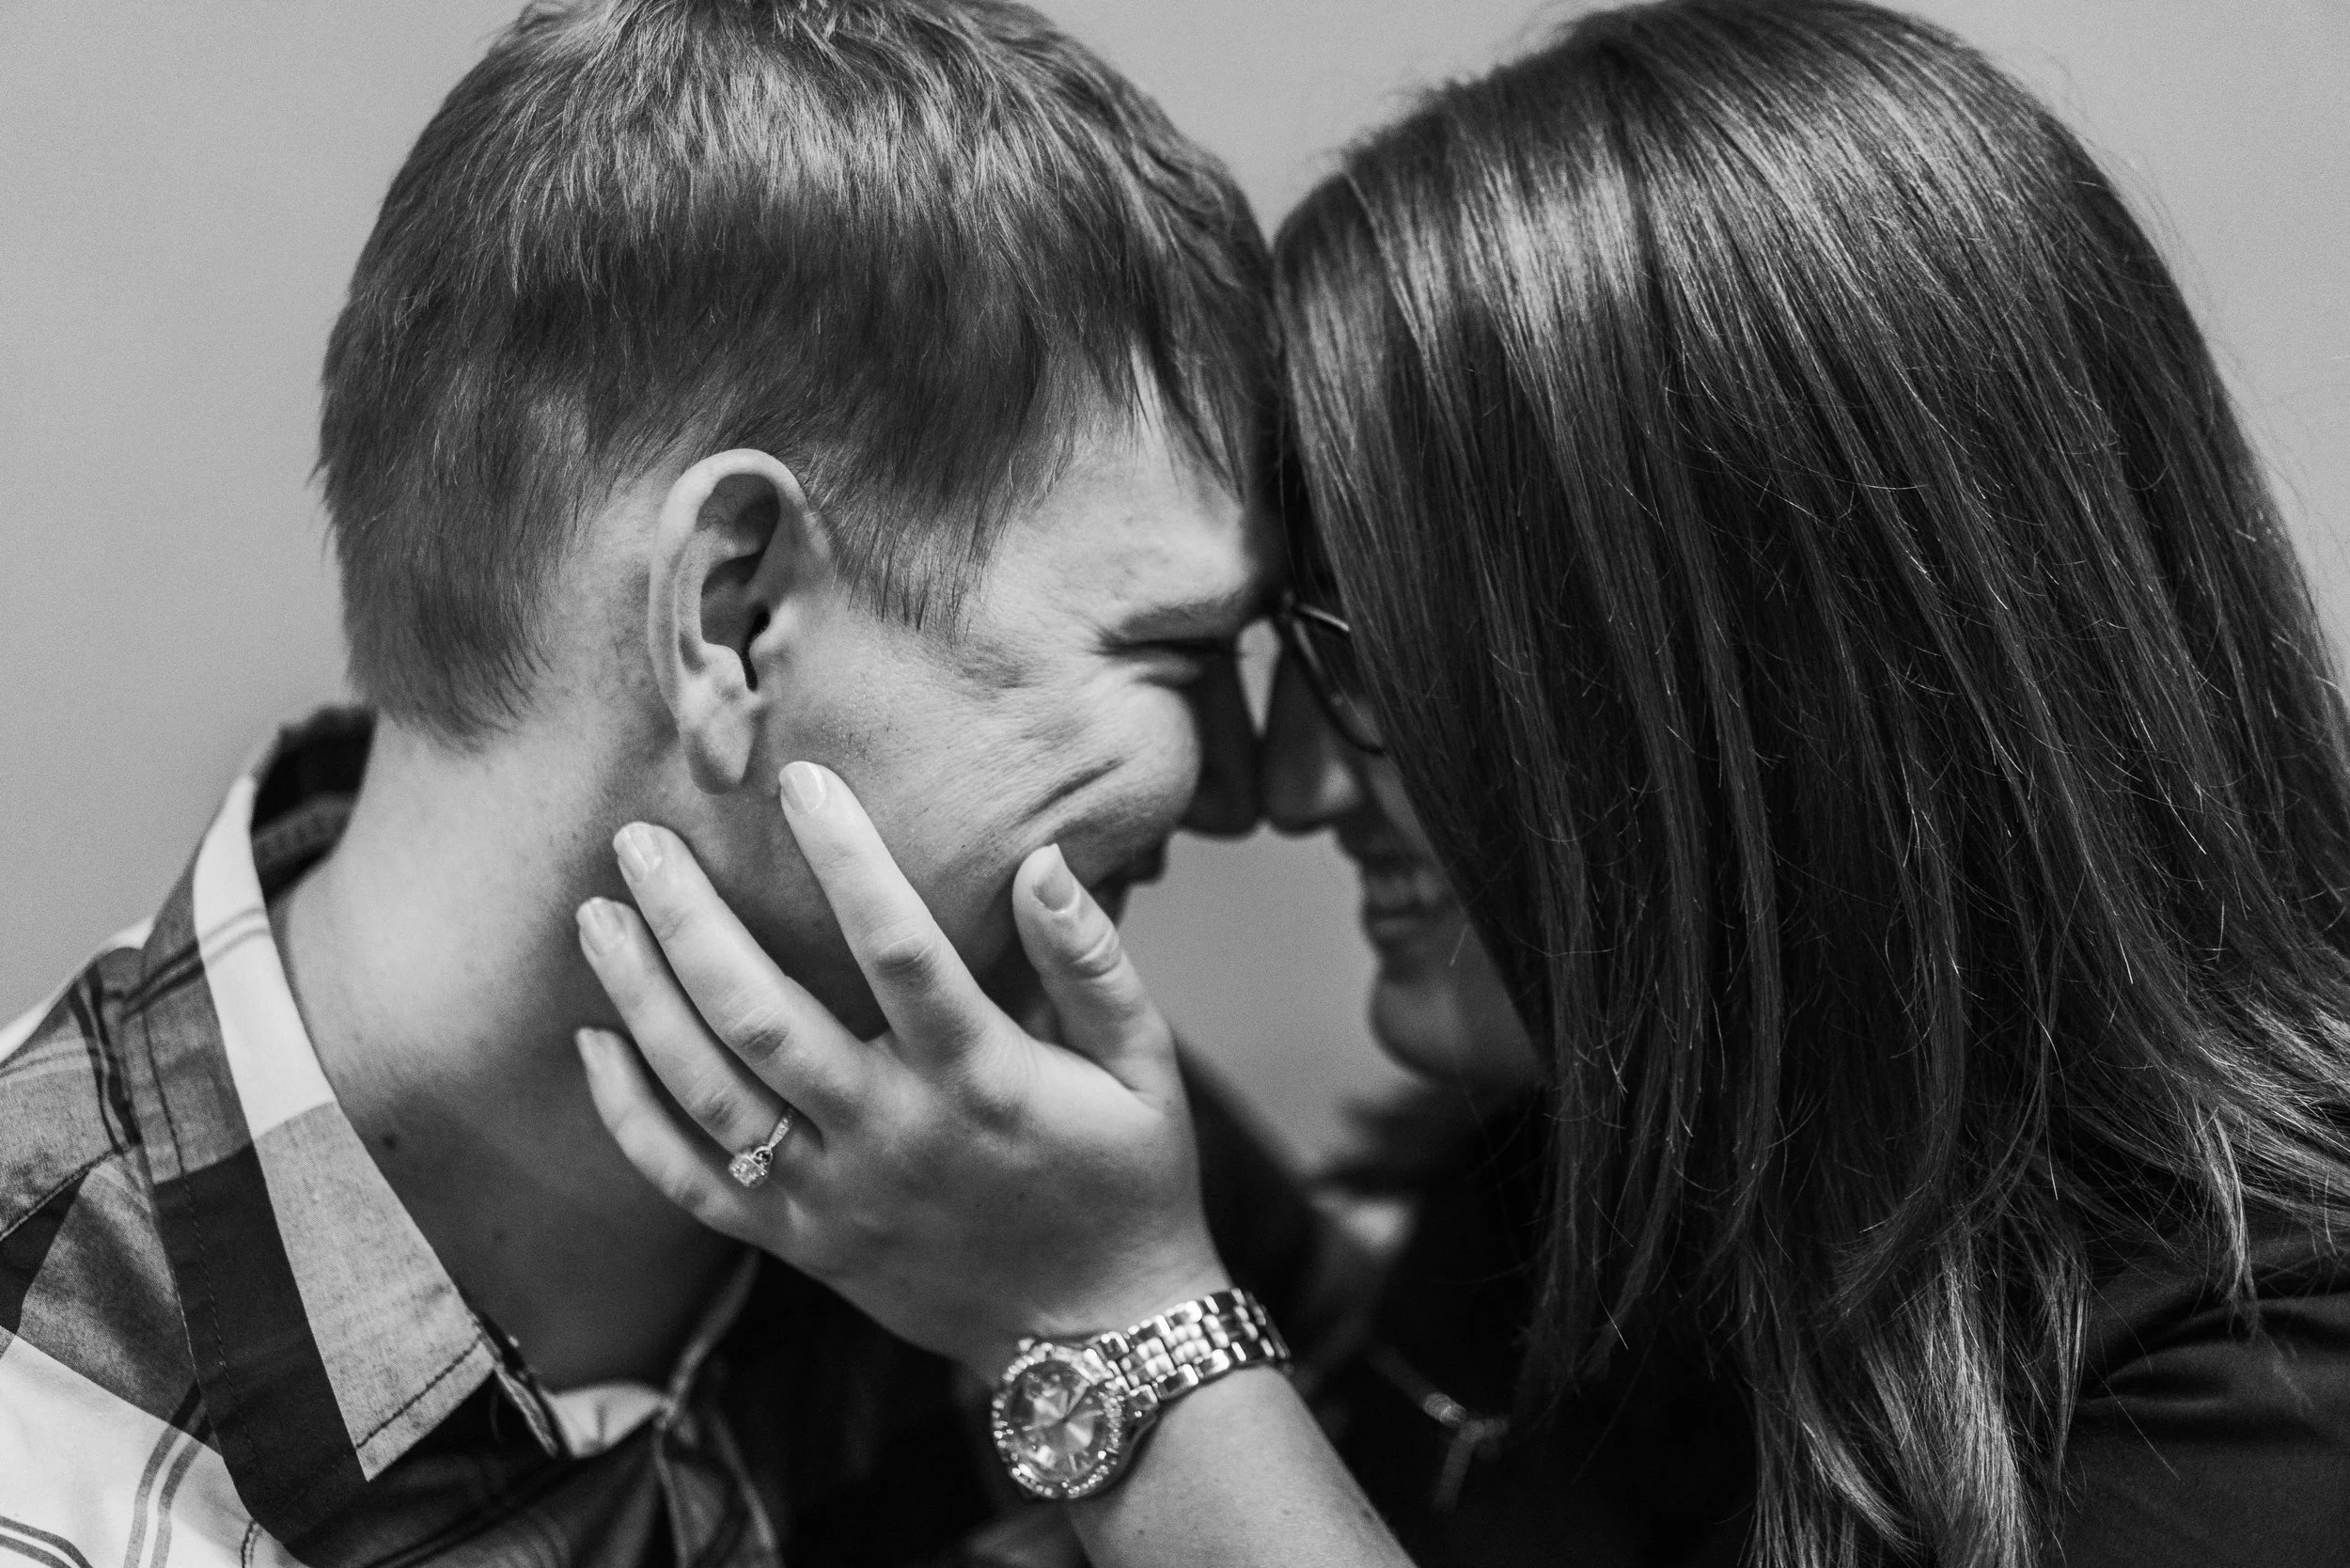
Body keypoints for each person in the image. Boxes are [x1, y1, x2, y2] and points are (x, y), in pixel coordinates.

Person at [572, 1, 2350, 1564]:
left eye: (1358, 657)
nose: (1277, 783)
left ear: (1750, 694)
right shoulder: (1551, 1193)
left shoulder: (2271, 1411)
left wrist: (1108, 1318)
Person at [0, 0, 1287, 1560]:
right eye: (1175, 654)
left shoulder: (1050, 1166)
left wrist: (1121, 1317)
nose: (1253, 790)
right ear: (732, 620)